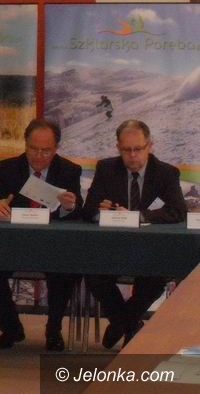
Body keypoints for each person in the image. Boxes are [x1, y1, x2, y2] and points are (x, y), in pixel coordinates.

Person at [82, 119, 187, 349]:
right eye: (126, 150)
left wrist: (138, 216)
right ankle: (129, 324)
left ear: (150, 146)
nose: (132, 156)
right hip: (113, 248)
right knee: (94, 275)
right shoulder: (106, 169)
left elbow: (178, 211)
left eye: (138, 149)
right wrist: (101, 211)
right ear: (118, 147)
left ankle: (120, 324)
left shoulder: (166, 173)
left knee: (156, 277)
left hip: (151, 249)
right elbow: (88, 210)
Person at [0, 119, 82, 351]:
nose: (38, 156)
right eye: (33, 149)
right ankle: (11, 328)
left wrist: (68, 207)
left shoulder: (69, 170)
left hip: (53, 246)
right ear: (25, 144)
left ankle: (53, 330)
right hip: (14, 243)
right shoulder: (9, 167)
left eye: (45, 151)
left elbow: (79, 212)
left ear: (56, 148)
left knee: (65, 271)